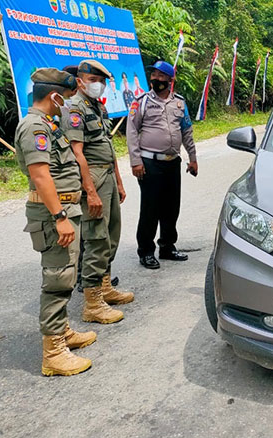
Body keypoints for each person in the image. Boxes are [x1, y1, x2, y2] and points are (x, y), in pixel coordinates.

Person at [15, 67, 94, 377]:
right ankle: (53, 353)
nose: (68, 104)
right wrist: (60, 217)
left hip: (65, 211)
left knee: (65, 274)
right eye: (67, 97)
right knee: (58, 280)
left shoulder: (48, 124)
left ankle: (62, 333)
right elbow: (40, 175)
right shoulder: (34, 127)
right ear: (54, 96)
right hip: (53, 215)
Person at [63, 60, 134, 324]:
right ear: (81, 80)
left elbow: (107, 147)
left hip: (107, 177)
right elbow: (76, 153)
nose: (99, 85)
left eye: (102, 81)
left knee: (111, 233)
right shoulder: (74, 108)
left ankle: (105, 286)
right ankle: (92, 302)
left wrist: (119, 181)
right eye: (95, 80)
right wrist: (90, 192)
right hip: (92, 178)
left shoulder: (98, 107)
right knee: (96, 237)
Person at [127, 60, 198, 269]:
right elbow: (131, 132)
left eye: (160, 76)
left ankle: (167, 246)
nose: (156, 79)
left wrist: (192, 158)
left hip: (172, 162)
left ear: (170, 79)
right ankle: (146, 251)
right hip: (150, 163)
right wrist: (135, 161)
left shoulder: (179, 103)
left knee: (171, 208)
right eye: (154, 75)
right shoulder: (141, 102)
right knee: (150, 209)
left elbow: (186, 131)